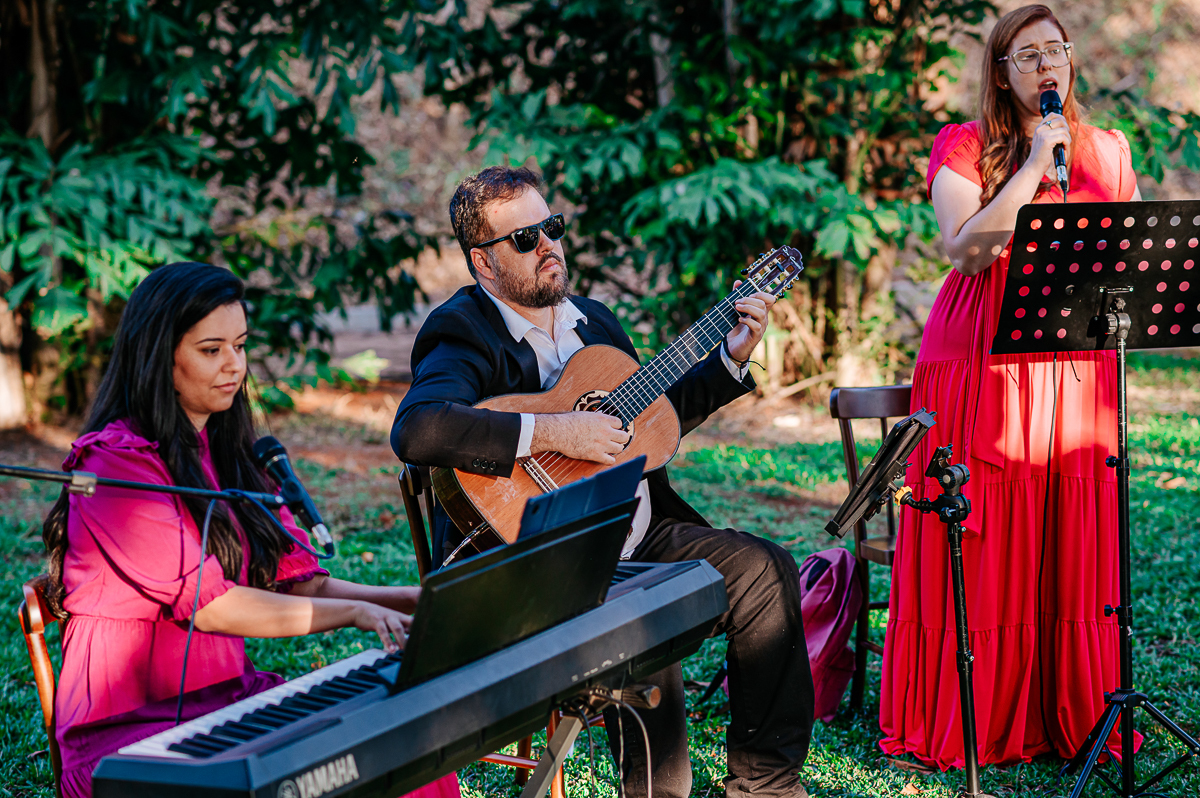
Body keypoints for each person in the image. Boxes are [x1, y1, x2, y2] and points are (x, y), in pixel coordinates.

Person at [390, 166, 814, 798]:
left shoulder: (595, 322)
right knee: (644, 621)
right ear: (483, 262)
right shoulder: (462, 332)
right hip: (542, 564)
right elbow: (418, 431)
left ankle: (766, 784)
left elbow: (651, 420)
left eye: (552, 229)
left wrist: (729, 356)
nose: (549, 247)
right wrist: (554, 432)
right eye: (525, 239)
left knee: (766, 568)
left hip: (638, 536)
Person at [41, 262, 460, 798]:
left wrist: (406, 598)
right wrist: (357, 614)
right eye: (211, 350)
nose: (234, 366)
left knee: (405, 743)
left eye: (239, 346)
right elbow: (212, 607)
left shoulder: (234, 454)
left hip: (228, 704)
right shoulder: (114, 464)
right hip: (130, 737)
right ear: (157, 354)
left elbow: (299, 585)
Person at [880, 4, 1141, 770]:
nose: (1046, 66)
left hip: (1076, 362)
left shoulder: (1108, 152)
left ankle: (1072, 706)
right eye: (1027, 55)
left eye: (1056, 51)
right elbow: (965, 252)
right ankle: (977, 714)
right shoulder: (965, 148)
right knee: (987, 533)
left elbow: (1122, 257)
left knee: (1066, 532)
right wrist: (1030, 167)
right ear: (1001, 71)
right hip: (981, 360)